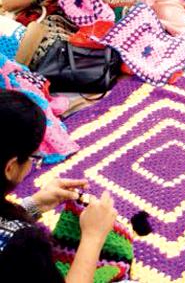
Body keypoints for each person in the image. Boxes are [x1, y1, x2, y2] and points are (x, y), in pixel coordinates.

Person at [0, 90, 117, 282]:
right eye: (33, 157)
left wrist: (33, 205)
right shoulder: (24, 245)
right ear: (10, 168)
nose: (32, 164)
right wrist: (93, 236)